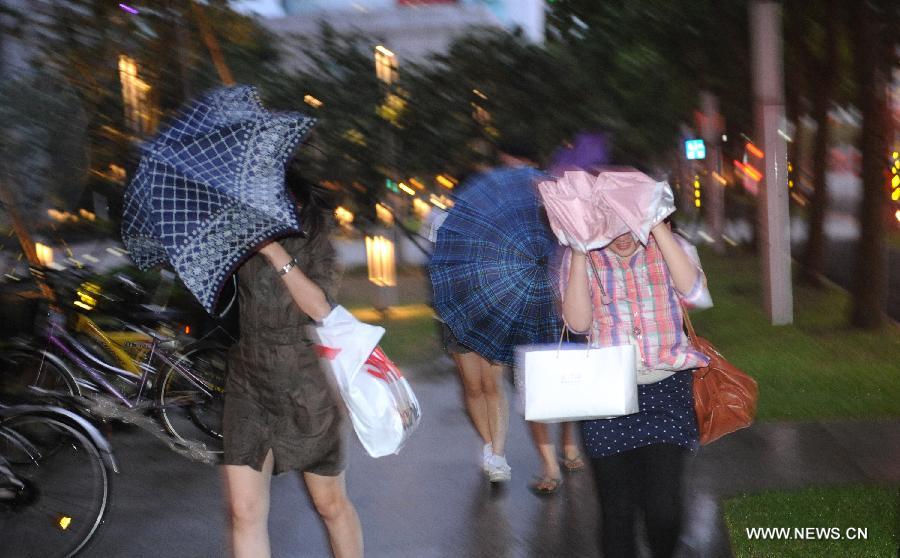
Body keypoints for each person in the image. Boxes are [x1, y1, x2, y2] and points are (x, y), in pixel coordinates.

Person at [221, 163, 363, 558]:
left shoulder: (314, 232)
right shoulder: (237, 228)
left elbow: (320, 307)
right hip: (248, 377)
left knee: (330, 504)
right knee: (243, 511)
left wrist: (271, 249)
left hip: (305, 381)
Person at [559, 220, 712, 558]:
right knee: (617, 513)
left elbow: (696, 295)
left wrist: (658, 229)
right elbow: (578, 324)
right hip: (605, 397)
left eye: (631, 223)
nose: (623, 236)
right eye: (611, 226)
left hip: (666, 390)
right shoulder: (583, 257)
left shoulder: (669, 246)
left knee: (664, 510)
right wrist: (581, 252)